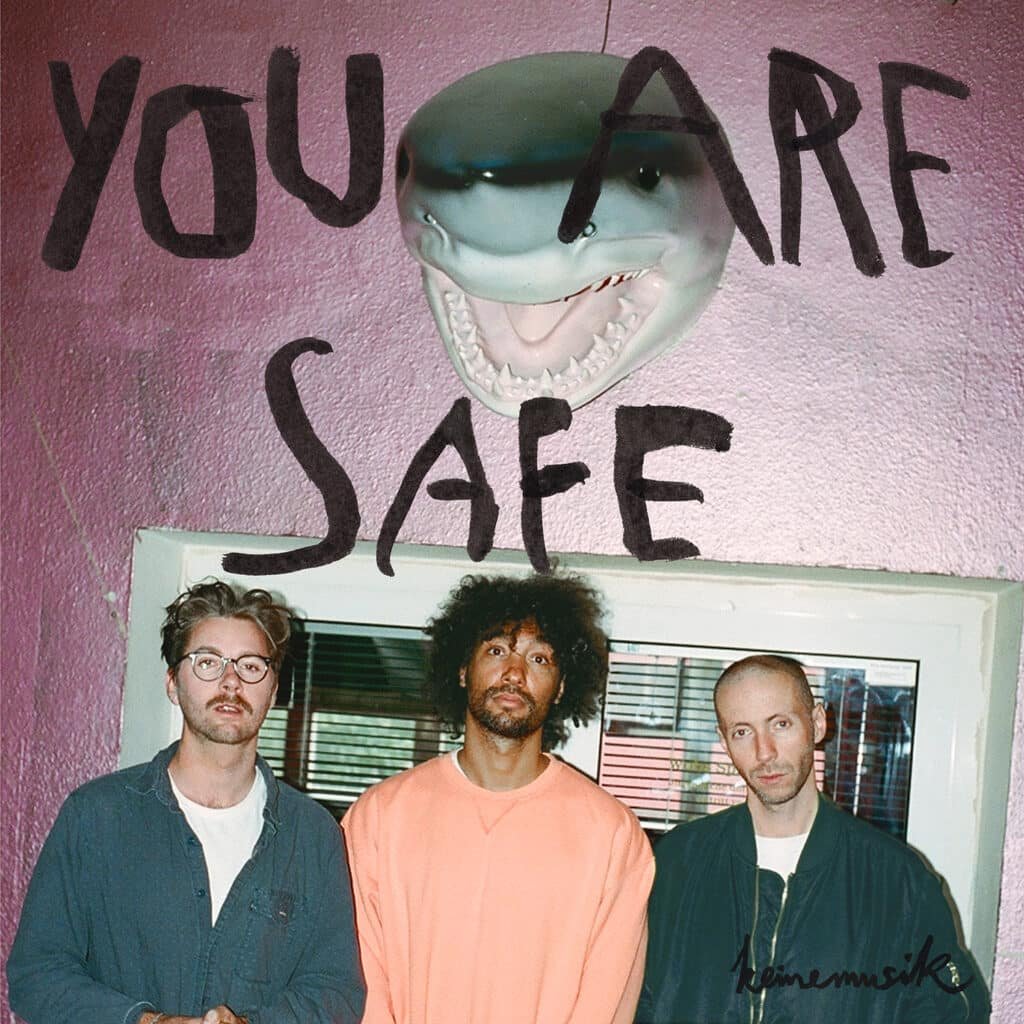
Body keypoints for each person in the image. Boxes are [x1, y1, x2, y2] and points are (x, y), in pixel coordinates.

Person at [7, 580, 365, 1024]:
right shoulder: (96, 815)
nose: (230, 680)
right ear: (173, 683)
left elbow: (335, 993)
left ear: (273, 691)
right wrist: (146, 1022)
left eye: (251, 665)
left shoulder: (313, 834)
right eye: (207, 662)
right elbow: (37, 976)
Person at [342, 572, 654, 1024]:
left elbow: (607, 1001)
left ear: (562, 685)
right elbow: (360, 981)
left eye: (540, 658)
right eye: (496, 650)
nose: (514, 672)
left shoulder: (612, 835)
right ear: (463, 669)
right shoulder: (378, 818)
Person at [637, 654, 990, 1024]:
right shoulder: (678, 862)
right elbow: (636, 1000)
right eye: (743, 731)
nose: (764, 752)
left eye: (781, 724)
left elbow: (956, 1012)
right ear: (724, 741)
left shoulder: (897, 879)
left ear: (817, 723)